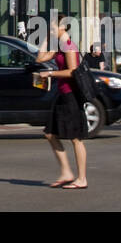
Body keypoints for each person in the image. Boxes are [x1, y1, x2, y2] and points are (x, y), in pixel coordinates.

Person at [36, 21, 88, 190]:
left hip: (71, 95)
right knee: (50, 134)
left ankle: (82, 178)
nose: (51, 30)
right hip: (62, 95)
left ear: (62, 27)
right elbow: (40, 58)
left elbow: (72, 71)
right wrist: (45, 38)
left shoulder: (69, 46)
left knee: (75, 138)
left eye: (52, 28)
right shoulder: (59, 47)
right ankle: (66, 172)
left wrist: (50, 73)